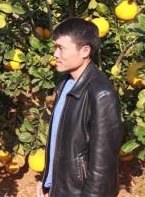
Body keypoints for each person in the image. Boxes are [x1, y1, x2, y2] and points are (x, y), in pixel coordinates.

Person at [36, 17, 123, 197]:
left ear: (85, 51)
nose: (55, 54)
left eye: (61, 48)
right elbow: (60, 142)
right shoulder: (66, 84)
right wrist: (48, 182)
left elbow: (102, 169)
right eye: (55, 47)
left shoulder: (101, 95)